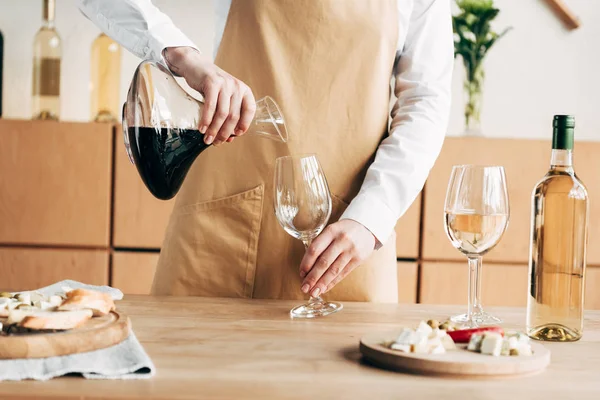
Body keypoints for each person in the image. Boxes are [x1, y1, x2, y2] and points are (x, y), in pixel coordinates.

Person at [78, 0, 453, 302]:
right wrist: (184, 58)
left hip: (344, 237)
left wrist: (372, 217)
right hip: (218, 230)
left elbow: (425, 103)